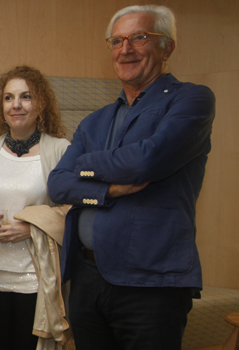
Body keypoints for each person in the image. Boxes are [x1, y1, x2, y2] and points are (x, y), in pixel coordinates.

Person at [48, 5, 215, 349]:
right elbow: (58, 183)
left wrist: (86, 164)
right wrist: (107, 190)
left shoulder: (191, 100)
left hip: (151, 282)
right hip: (87, 279)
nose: (126, 49)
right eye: (117, 41)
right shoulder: (96, 120)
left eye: (140, 37)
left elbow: (147, 160)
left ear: (167, 47)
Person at [0, 66, 71, 349]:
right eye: (9, 98)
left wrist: (33, 226)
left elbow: (74, 209)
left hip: (35, 278)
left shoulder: (60, 150)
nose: (17, 105)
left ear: (41, 104)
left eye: (26, 97)